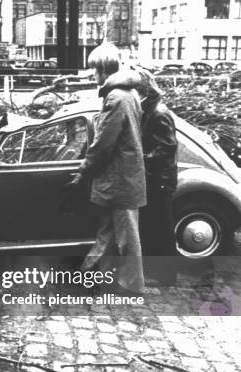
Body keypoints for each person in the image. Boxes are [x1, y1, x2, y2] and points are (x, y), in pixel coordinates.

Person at [68, 42, 146, 296]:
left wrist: (82, 174)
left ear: (103, 70)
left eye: (94, 71)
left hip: (118, 179)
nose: (92, 76)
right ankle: (90, 276)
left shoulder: (115, 98)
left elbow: (102, 145)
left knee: (125, 237)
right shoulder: (130, 94)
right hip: (124, 176)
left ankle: (132, 286)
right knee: (109, 234)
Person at [135, 69, 178, 285]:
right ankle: (157, 272)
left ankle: (166, 276)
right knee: (153, 225)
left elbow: (167, 147)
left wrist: (142, 158)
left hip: (161, 179)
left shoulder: (159, 113)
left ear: (143, 90)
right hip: (155, 177)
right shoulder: (149, 109)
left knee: (161, 227)